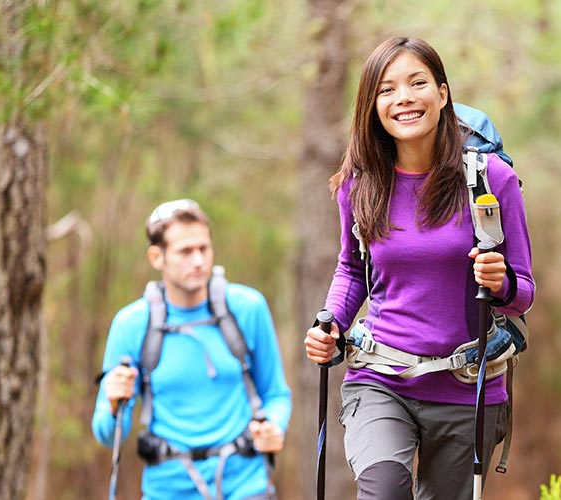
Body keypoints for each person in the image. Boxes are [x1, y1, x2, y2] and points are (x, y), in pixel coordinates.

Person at [304, 37, 535, 499]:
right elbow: (352, 270)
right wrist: (330, 323)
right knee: (384, 490)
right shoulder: (360, 184)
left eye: (417, 83)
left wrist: (500, 281)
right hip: (380, 378)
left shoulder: (492, 179)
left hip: (467, 388)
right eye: (387, 90)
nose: (403, 98)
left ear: (443, 94)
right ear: (372, 107)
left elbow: (523, 290)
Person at [93, 199, 292, 500]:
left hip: (246, 485)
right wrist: (112, 402)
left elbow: (276, 394)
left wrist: (274, 427)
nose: (198, 260)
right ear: (156, 257)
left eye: (204, 249)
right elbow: (108, 437)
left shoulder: (247, 308)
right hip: (167, 489)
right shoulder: (131, 324)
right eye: (185, 251)